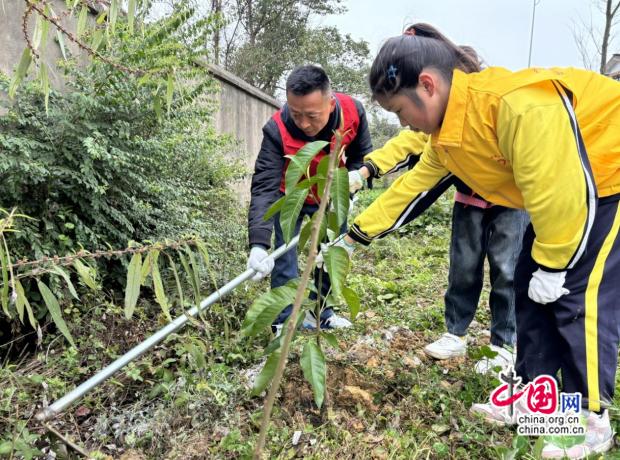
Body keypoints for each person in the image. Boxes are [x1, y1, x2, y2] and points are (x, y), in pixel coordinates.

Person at [333, 23, 619, 458]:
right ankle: (538, 401)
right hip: (562, 192)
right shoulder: (446, 137)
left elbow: (559, 186)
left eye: (400, 111)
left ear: (427, 85)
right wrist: (352, 238)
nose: (402, 123)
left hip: (605, 176)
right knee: (528, 285)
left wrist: (557, 262)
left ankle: (591, 418)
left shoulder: (513, 106)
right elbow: (410, 190)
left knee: (578, 297)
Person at [350, 125, 528, 374]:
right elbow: (411, 142)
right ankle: (456, 334)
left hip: (513, 198)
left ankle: (504, 344)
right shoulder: (441, 123)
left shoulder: (497, 109)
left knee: (507, 270)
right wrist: (365, 171)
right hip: (470, 198)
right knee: (463, 267)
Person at [247, 64, 373, 335]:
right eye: (296, 114)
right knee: (285, 258)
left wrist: (350, 189)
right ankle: (283, 320)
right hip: (289, 198)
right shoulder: (276, 129)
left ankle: (321, 314)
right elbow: (264, 185)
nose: (304, 123)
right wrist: (258, 243)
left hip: (331, 197)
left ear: (330, 102)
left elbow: (362, 157)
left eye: (312, 115)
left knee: (331, 254)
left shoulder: (353, 112)